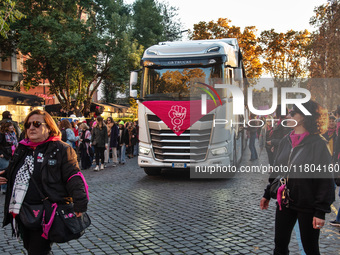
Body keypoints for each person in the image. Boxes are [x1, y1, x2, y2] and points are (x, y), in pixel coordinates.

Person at [2, 109, 89, 255]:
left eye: (36, 124)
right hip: (22, 210)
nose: (31, 128)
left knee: (38, 250)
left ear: (49, 127)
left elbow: (73, 177)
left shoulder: (61, 149)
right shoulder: (22, 148)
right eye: (28, 125)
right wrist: (4, 174)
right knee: (30, 248)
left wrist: (80, 203)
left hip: (46, 212)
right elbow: (13, 170)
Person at [260, 100, 335, 255]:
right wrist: (267, 193)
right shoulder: (286, 140)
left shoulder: (318, 144)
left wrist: (321, 211)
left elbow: (325, 180)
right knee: (280, 246)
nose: (288, 115)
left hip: (308, 205)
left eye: (293, 113)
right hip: (285, 201)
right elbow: (278, 170)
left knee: (311, 249)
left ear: (304, 116)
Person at [0, 122, 18, 193]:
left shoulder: (13, 133)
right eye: (10, 126)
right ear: (6, 127)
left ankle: (7, 187)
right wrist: (1, 153)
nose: (12, 127)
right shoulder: (2, 134)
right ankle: (4, 188)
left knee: (9, 169)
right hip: (4, 154)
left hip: (11, 153)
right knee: (4, 171)